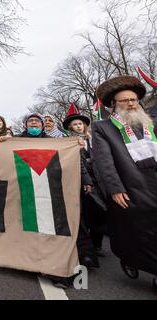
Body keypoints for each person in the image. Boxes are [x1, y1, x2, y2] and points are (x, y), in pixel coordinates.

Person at [92, 75, 157, 291]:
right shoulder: (103, 127)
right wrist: (114, 188)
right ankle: (131, 258)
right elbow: (104, 162)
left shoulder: (150, 123)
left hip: (154, 181)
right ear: (113, 104)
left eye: (134, 100)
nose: (130, 104)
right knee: (137, 230)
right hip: (130, 185)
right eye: (125, 101)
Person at [63, 106, 103, 269]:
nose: (78, 126)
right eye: (75, 125)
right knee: (83, 213)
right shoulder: (68, 143)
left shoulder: (94, 140)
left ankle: (97, 243)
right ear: (70, 128)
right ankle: (86, 248)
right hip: (79, 181)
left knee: (99, 212)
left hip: (99, 180)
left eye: (80, 124)